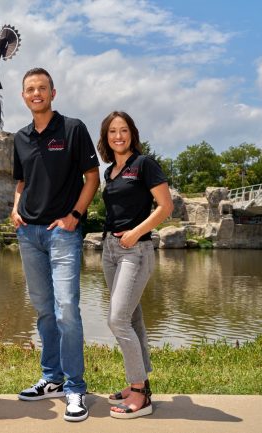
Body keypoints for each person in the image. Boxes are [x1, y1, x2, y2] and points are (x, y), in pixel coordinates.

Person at [11, 67, 100, 422]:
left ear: (53, 93)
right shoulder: (20, 137)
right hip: (28, 234)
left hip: (62, 232)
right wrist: (15, 209)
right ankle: (52, 379)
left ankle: (76, 387)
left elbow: (92, 178)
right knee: (44, 310)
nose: (36, 93)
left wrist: (74, 216)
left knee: (66, 309)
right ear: (23, 96)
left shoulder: (73, 128)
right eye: (30, 89)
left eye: (42, 88)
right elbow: (21, 182)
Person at [96, 111, 173, 419]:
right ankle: (141, 382)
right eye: (112, 131)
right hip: (110, 251)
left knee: (117, 320)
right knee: (133, 318)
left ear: (132, 134)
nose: (118, 136)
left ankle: (139, 393)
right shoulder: (110, 172)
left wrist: (136, 233)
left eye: (124, 130)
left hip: (135, 250)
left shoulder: (144, 165)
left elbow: (165, 206)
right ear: (106, 137)